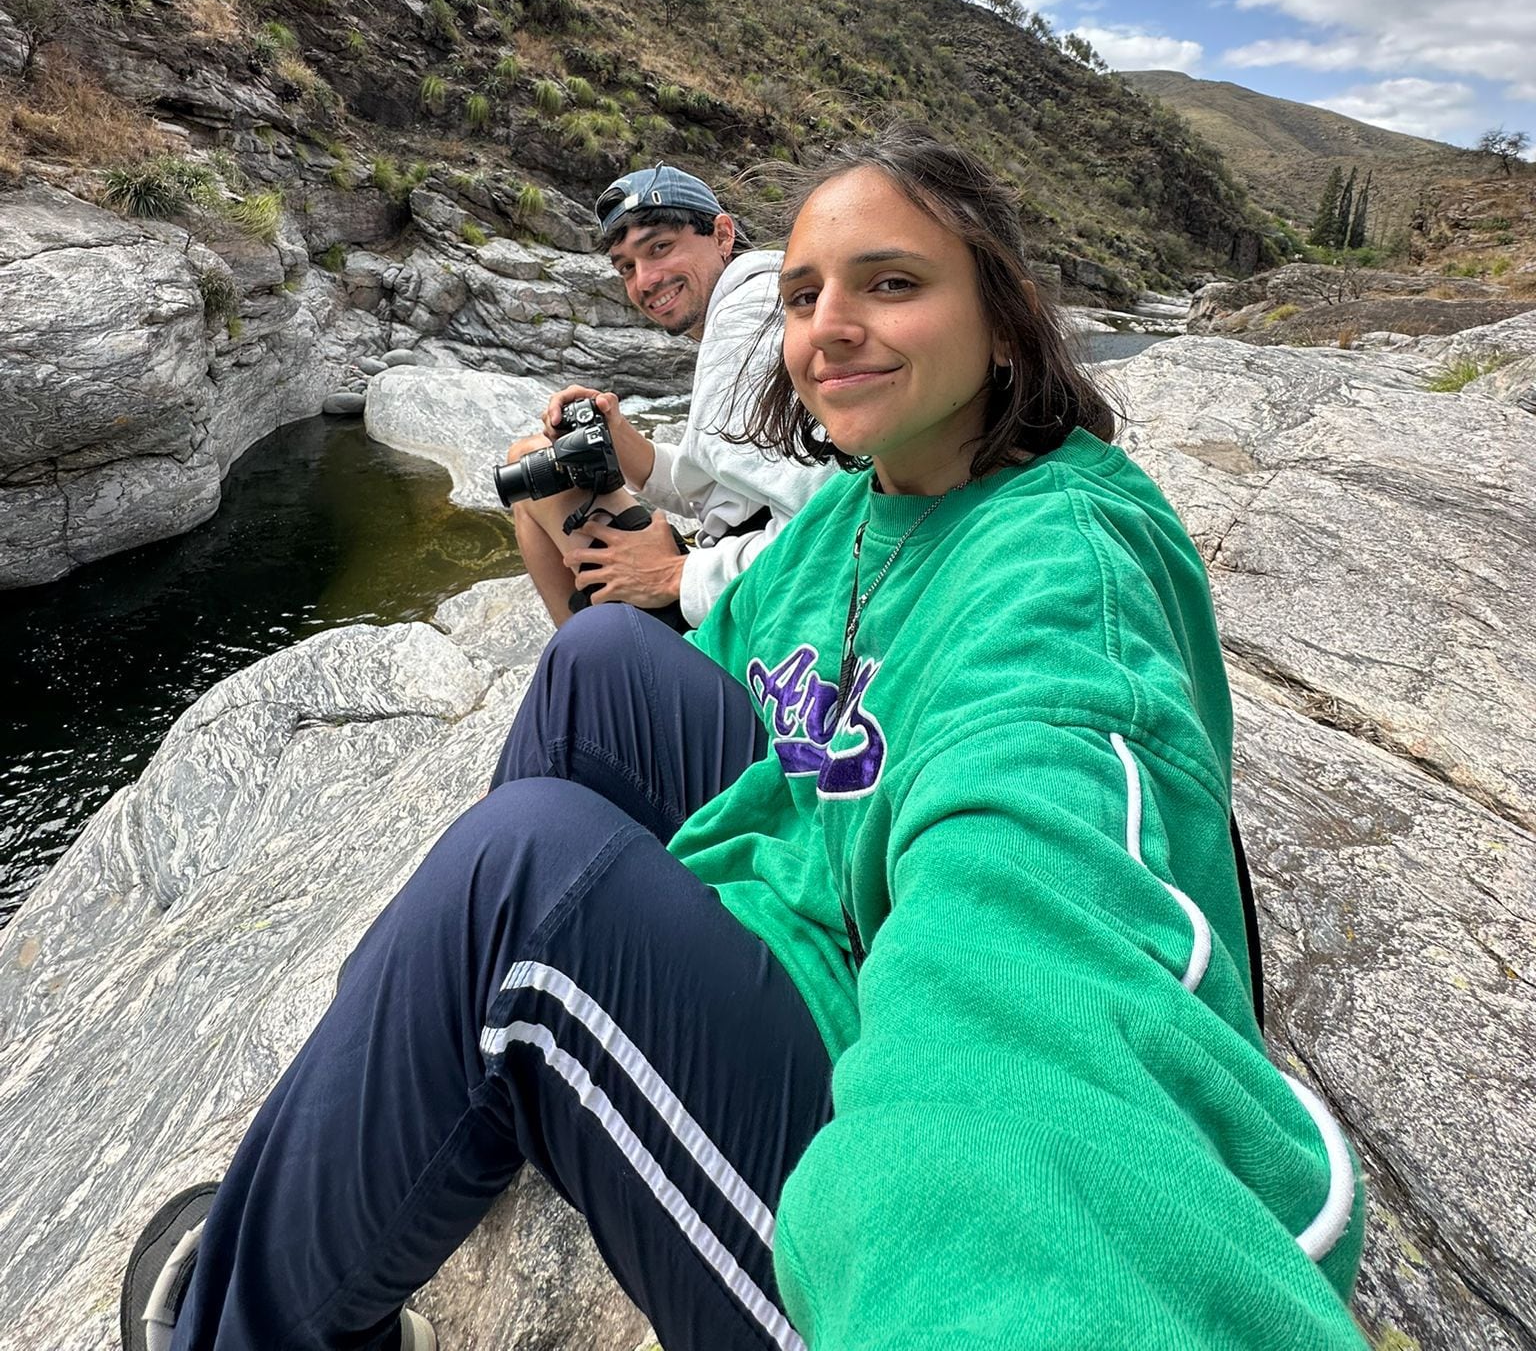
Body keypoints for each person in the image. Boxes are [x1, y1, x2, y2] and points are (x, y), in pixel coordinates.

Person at [123, 125, 1365, 1351]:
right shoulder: (863, 512)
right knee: (599, 664)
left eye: (893, 282)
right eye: (807, 292)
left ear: (1002, 314)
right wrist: (550, 512)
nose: (830, 323)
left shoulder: (1053, 579)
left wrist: (998, 1260)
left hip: (878, 1093)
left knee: (523, 881)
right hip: (828, 892)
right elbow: (631, 648)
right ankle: (460, 1075)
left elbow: (1032, 921)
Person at [503, 162, 829, 630]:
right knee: (533, 467)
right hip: (739, 575)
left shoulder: (746, 318)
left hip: (753, 618)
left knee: (534, 466)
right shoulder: (757, 304)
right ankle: (600, 655)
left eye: (659, 248)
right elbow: (731, 487)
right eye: (627, 267)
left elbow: (822, 532)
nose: (644, 280)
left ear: (722, 234)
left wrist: (676, 574)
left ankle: (606, 660)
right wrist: (619, 438)